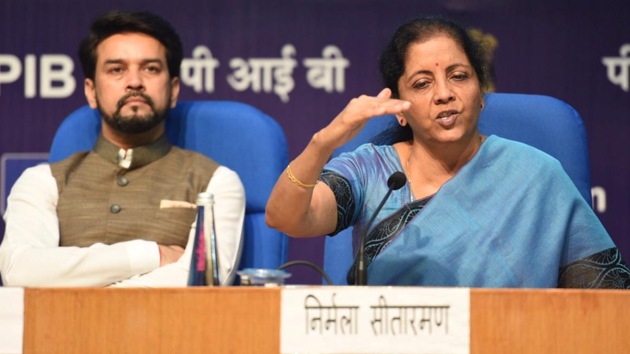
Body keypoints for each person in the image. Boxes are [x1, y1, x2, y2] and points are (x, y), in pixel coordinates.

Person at [265, 16, 630, 288]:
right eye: (423, 83)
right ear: (400, 108)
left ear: (481, 95)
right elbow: (286, 217)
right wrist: (323, 142)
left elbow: (606, 299)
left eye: (459, 76)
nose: (444, 93)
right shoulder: (372, 170)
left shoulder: (537, 174)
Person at [0, 11, 245, 287]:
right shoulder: (42, 182)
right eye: (116, 69)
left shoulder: (215, 183)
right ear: (91, 92)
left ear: (174, 90)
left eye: (150, 68)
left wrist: (77, 290)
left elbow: (198, 283)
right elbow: (20, 271)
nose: (135, 82)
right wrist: (151, 254)